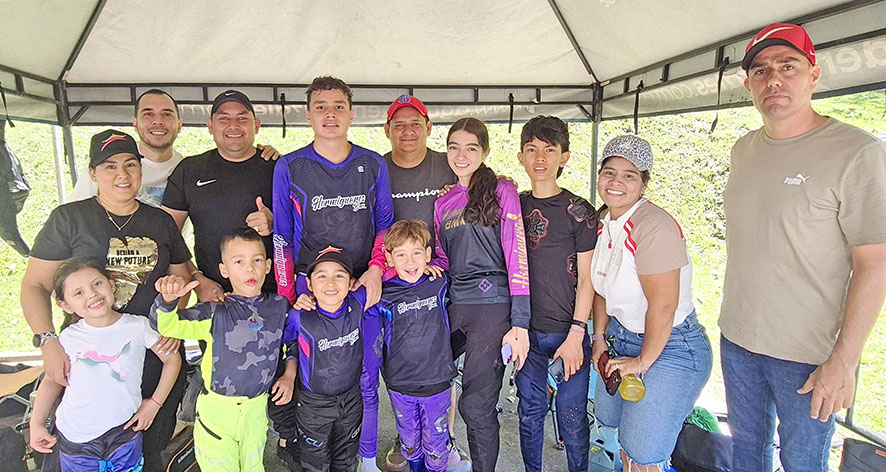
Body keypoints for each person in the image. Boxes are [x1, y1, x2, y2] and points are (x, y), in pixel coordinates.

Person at [720, 23, 886, 471]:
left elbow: (875, 265)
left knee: (802, 462)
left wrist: (844, 362)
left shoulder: (858, 152)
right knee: (745, 456)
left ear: (814, 75)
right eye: (760, 71)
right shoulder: (744, 149)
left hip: (808, 356)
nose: (773, 79)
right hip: (737, 339)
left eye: (787, 66)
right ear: (749, 84)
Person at [21, 129, 191, 472]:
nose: (122, 174)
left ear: (141, 171)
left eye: (131, 164)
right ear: (93, 173)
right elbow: (34, 286)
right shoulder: (68, 219)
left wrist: (174, 319)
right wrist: (48, 341)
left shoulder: (159, 221)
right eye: (110, 166)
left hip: (152, 355)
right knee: (81, 450)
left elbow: (183, 279)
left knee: (148, 450)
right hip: (87, 365)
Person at [590, 135, 712, 471]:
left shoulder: (653, 226)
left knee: (644, 453)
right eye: (610, 172)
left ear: (644, 183)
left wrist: (643, 362)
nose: (616, 182)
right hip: (623, 336)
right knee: (620, 438)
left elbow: (663, 306)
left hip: (670, 344)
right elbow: (601, 289)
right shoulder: (605, 223)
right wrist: (599, 338)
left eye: (629, 175)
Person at [151, 227, 297, 471]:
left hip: (256, 411)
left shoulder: (278, 306)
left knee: (253, 466)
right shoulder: (214, 312)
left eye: (257, 260)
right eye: (239, 261)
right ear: (224, 270)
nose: (250, 268)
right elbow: (167, 325)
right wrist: (167, 300)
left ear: (268, 266)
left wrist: (289, 374)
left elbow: (293, 339)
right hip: (218, 415)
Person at [371, 94, 464, 472]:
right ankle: (406, 437)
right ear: (387, 129)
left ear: (429, 127)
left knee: (443, 359)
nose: (407, 131)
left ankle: (445, 437)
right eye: (399, 124)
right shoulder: (376, 168)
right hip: (395, 279)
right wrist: (383, 268)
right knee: (401, 354)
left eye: (415, 123)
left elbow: (481, 192)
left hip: (442, 276)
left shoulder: (450, 165)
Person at [432, 117, 530, 472]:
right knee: (429, 382)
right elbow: (443, 257)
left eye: (471, 147)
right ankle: (437, 455)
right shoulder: (443, 202)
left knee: (477, 405)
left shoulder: (502, 190)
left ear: (485, 152)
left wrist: (520, 323)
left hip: (493, 308)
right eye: (454, 147)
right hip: (457, 305)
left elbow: (516, 254)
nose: (462, 155)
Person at [29, 258, 181, 471]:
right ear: (65, 305)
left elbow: (172, 359)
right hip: (76, 440)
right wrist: (36, 425)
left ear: (112, 284)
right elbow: (52, 381)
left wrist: (155, 404)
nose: (91, 294)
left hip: (124, 434)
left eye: (97, 284)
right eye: (78, 292)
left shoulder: (138, 326)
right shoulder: (68, 337)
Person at [514, 116, 595, 472]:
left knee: (573, 417)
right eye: (531, 149)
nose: (540, 158)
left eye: (550, 150)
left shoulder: (580, 213)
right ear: (520, 157)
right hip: (526, 332)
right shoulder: (510, 207)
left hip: (570, 333)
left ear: (565, 157)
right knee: (529, 414)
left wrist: (578, 332)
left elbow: (589, 279)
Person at [272, 76, 393, 307]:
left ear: (351, 114)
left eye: (339, 106)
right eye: (320, 107)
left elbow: (385, 225)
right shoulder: (290, 166)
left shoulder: (373, 163)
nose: (330, 114)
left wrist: (377, 269)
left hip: (362, 281)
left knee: (369, 343)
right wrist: (288, 296)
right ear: (308, 115)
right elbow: (281, 237)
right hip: (310, 287)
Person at [71, 89, 279, 209]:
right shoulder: (110, 164)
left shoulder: (185, 169)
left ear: (180, 124)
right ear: (135, 123)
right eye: (148, 114)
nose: (158, 122)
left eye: (167, 115)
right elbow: (75, 220)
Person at [162, 89, 277, 300]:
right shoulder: (189, 170)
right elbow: (167, 237)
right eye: (224, 119)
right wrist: (196, 279)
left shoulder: (278, 167)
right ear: (210, 126)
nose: (233, 126)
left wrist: (276, 223)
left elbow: (307, 228)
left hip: (272, 300)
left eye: (242, 118)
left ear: (257, 125)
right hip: (213, 299)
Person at [288, 246, 370, 472]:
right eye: (321, 276)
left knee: (347, 459)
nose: (331, 283)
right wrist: (289, 373)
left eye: (340, 276)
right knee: (315, 462)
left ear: (351, 282)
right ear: (310, 284)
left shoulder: (358, 300)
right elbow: (287, 343)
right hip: (314, 405)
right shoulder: (300, 316)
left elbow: (386, 274)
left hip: (351, 399)